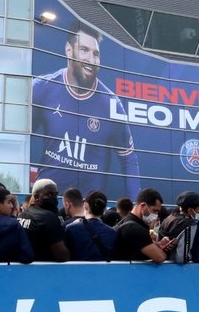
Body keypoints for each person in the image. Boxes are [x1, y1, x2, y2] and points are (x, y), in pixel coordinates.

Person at [31, 24, 140, 199]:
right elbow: (20, 136)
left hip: (89, 209)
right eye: (84, 50)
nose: (91, 59)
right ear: (69, 50)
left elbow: (128, 159)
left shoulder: (112, 105)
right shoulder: (43, 88)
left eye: (95, 54)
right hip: (50, 202)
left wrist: (134, 204)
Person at [113, 188, 173, 262]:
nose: (156, 215)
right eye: (154, 211)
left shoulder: (127, 222)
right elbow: (160, 257)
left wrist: (158, 245)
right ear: (143, 205)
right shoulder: (134, 228)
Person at [17, 179, 70, 262]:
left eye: (55, 195)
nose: (54, 198)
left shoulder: (22, 215)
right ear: (37, 196)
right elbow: (62, 256)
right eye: (49, 194)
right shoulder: (49, 218)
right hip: (44, 271)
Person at [64, 190, 117, 261]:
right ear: (104, 209)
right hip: (104, 271)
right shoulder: (112, 233)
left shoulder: (71, 229)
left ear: (85, 206)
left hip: (77, 271)